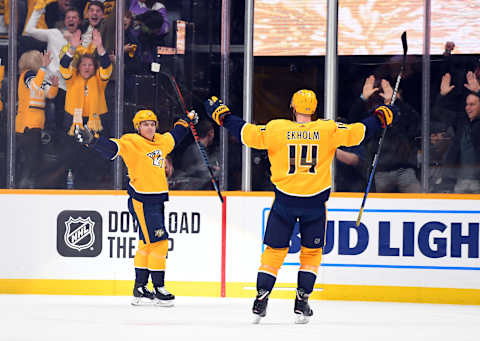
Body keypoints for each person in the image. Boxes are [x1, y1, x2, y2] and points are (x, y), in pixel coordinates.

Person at [204, 90, 395, 323]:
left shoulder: (277, 128)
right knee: (311, 253)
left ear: (292, 108)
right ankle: (301, 302)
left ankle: (261, 298)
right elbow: (359, 132)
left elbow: (247, 133)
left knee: (274, 252)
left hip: (284, 201)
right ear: (314, 110)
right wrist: (380, 117)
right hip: (314, 204)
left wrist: (222, 116)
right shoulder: (328, 129)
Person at [75, 108, 198, 306]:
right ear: (138, 127)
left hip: (157, 199)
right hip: (142, 200)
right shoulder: (132, 141)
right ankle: (158, 288)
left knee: (146, 242)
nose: (149, 127)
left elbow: (176, 134)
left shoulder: (161, 141)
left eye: (152, 124)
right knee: (160, 243)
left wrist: (188, 120)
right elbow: (113, 148)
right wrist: (93, 141)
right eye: (145, 124)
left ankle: (140, 288)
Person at [348, 75, 421, 193]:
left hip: (405, 170)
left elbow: (415, 123)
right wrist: (363, 98)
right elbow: (353, 123)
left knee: (418, 201)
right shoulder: (374, 115)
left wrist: (395, 101)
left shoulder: (403, 113)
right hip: (380, 171)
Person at [24, 6, 82, 132]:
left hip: (71, 86)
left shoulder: (84, 39)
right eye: (68, 17)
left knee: (68, 122)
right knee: (49, 121)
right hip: (50, 83)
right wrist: (38, 10)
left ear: (79, 21)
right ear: (64, 20)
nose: (71, 20)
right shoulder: (54, 33)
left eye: (74, 17)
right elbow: (29, 30)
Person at [15, 50, 59, 188]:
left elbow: (50, 94)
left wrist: (55, 85)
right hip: (27, 123)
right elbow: (34, 86)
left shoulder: (38, 77)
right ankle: (25, 183)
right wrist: (44, 68)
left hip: (36, 123)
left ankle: (29, 182)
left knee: (34, 155)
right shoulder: (27, 75)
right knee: (31, 156)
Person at [433, 73, 480, 193]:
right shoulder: (461, 122)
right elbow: (438, 113)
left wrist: (478, 91)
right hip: (460, 181)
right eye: (467, 105)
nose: (468, 108)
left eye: (472, 104)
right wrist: (442, 95)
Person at [60, 28, 111, 136]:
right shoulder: (72, 77)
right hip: (73, 118)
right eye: (84, 64)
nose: (87, 67)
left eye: (90, 65)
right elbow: (64, 65)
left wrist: (100, 47)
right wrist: (73, 47)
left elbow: (106, 66)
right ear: (78, 67)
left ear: (95, 67)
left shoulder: (99, 79)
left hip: (97, 120)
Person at [174, 120, 220, 190]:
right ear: (211, 133)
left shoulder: (197, 148)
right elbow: (205, 175)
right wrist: (220, 172)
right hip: (193, 191)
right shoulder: (197, 150)